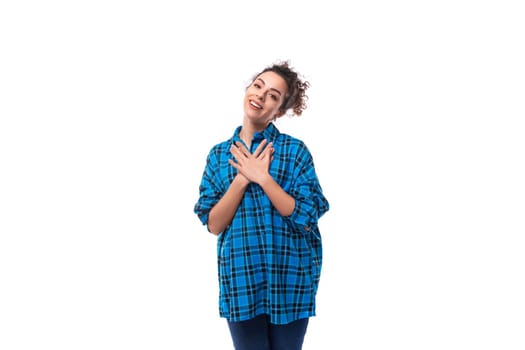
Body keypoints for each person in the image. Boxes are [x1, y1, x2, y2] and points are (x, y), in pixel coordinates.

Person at [194, 60, 329, 350]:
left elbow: (307, 216)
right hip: (241, 279)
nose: (260, 96)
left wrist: (264, 179)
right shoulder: (219, 155)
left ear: (279, 111)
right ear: (248, 89)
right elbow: (214, 224)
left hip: (290, 279)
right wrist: (242, 179)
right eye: (258, 86)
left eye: (273, 95)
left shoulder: (294, 152)